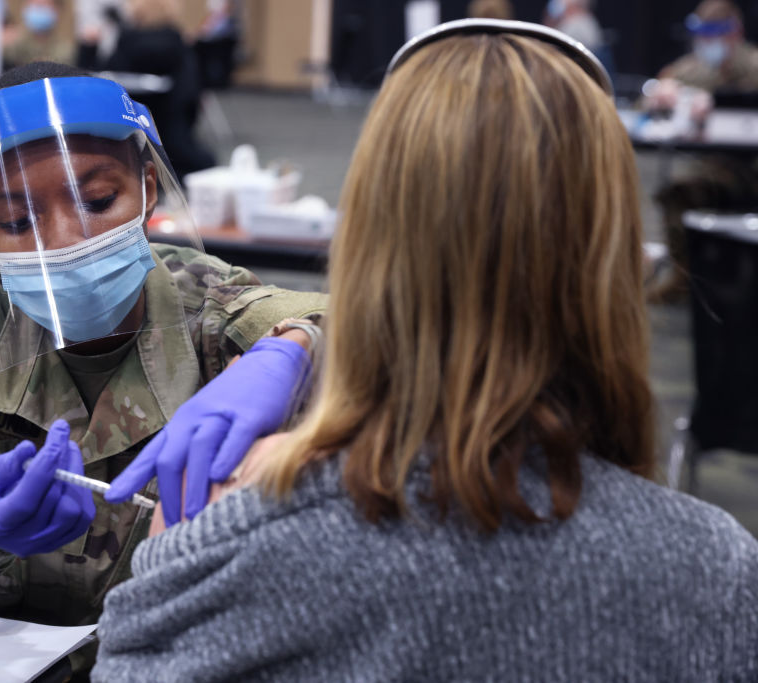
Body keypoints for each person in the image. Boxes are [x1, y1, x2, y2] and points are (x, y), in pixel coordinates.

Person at [93, 20, 758, 681]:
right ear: (613, 262)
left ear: (363, 243)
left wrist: (177, 546)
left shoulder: (231, 549)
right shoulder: (716, 574)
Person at [0, 61, 325, 676]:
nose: (64, 238)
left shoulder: (210, 307)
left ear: (148, 186)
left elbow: (395, 325)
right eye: (15, 222)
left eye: (97, 199)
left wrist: (295, 349)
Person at [645, 0, 758, 301]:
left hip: (749, 167)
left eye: (715, 36)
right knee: (677, 193)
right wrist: (660, 94)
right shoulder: (694, 68)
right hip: (713, 167)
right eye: (703, 37)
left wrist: (719, 106)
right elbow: (656, 92)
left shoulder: (753, 66)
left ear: (734, 34)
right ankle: (683, 278)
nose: (708, 44)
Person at [102, 0, 215, 180]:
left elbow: (105, 82)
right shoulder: (179, 46)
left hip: (127, 143)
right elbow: (191, 98)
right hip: (176, 147)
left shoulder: (124, 43)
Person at [2, 0, 72, 68]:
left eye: (42, 6)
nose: (38, 10)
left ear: (57, 9)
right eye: (36, 5)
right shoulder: (13, 41)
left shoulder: (64, 49)